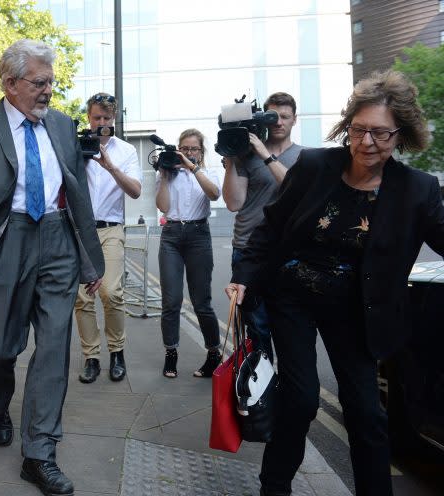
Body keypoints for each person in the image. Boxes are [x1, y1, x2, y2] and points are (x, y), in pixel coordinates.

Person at [227, 70, 443, 496]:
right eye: (358, 130)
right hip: (294, 298)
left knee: (367, 413)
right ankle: (275, 487)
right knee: (302, 399)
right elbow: (271, 227)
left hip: (358, 310)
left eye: (380, 134)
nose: (366, 143)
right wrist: (242, 278)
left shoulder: (417, 190)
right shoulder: (315, 166)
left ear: (402, 134)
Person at [0, 39, 104, 496]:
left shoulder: (65, 128)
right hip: (6, 239)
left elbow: (78, 196)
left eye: (51, 81)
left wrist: (90, 258)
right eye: (39, 82)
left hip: (57, 242)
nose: (49, 90)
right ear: (10, 84)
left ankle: (40, 452)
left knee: (53, 348)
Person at [222, 92, 303, 363]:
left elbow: (294, 190)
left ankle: (290, 390)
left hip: (287, 252)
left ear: (295, 120)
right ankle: (260, 391)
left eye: (284, 116)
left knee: (288, 328)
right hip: (246, 248)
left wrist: (264, 153)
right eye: (272, 116)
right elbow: (234, 203)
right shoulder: (246, 156)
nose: (278, 121)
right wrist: (232, 157)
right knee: (256, 328)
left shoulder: (305, 157)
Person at [75, 92, 142, 384]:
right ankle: (91, 356)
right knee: (82, 298)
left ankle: (117, 352)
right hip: (79, 230)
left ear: (113, 119)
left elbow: (137, 191)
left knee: (111, 293)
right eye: (96, 118)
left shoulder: (126, 150)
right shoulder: (74, 148)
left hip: (111, 228)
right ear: (88, 118)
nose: (100, 123)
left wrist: (110, 166)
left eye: (106, 118)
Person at [155, 129, 222, 378]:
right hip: (171, 235)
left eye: (194, 149)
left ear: (201, 152)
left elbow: (214, 194)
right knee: (171, 300)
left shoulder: (208, 172)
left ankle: (213, 353)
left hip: (198, 236)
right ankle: (170, 353)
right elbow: (162, 206)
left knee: (201, 301)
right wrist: (163, 176)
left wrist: (193, 169)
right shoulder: (168, 173)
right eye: (184, 148)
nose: (189, 153)